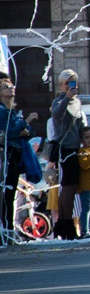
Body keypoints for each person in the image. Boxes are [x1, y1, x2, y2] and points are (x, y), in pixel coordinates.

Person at [51, 69, 88, 240]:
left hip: (76, 148)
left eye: (73, 82)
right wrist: (66, 97)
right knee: (67, 187)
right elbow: (57, 115)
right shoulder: (59, 101)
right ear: (61, 85)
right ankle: (63, 224)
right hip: (65, 149)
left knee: (72, 187)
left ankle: (66, 224)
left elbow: (80, 124)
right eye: (68, 83)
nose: (71, 86)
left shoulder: (77, 102)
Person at [1, 78, 39, 240]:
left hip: (15, 158)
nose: (11, 89)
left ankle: (9, 231)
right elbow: (11, 131)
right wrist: (27, 122)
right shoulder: (2, 111)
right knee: (6, 195)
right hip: (6, 158)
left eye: (11, 86)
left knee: (10, 196)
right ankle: (6, 231)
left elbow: (28, 132)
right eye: (6, 87)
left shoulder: (12, 111)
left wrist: (25, 128)